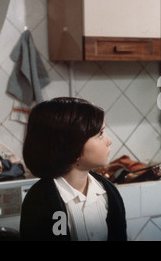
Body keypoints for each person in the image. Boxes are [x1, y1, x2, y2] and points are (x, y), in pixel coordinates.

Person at [20, 97, 127, 241]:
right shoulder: (40, 201)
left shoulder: (108, 192)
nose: (109, 140)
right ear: (72, 146)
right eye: (100, 134)